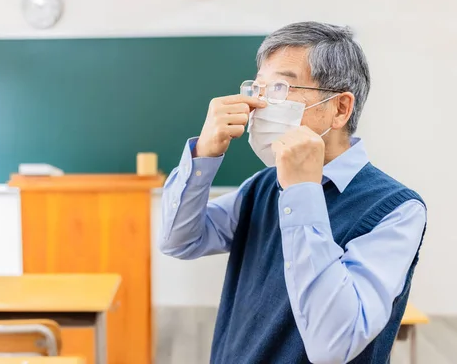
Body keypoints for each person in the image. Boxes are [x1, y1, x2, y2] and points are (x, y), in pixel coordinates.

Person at [159, 21, 427, 364]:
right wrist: (204, 155)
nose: (259, 105)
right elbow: (178, 240)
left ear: (340, 108)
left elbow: (334, 343)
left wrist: (303, 191)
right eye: (258, 88)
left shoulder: (396, 209)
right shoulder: (261, 186)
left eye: (281, 88)